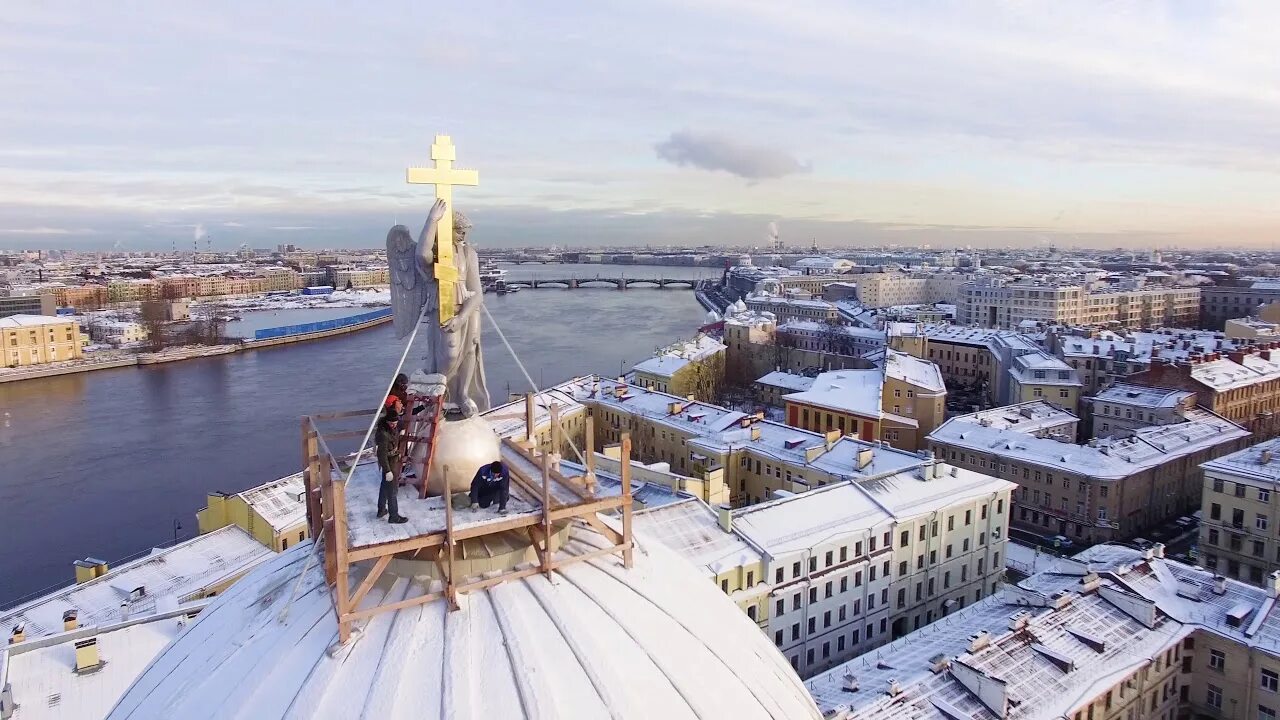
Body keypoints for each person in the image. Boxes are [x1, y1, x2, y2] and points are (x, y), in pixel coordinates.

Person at [375, 408, 408, 524]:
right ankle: (393, 515)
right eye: (392, 423)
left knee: (385, 485)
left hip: (393, 459)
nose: (394, 425)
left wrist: (402, 428)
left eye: (395, 423)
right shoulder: (383, 435)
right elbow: (381, 455)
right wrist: (387, 470)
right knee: (392, 490)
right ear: (387, 422)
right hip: (388, 462)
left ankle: (381, 509)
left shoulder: (393, 426)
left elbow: (400, 421)